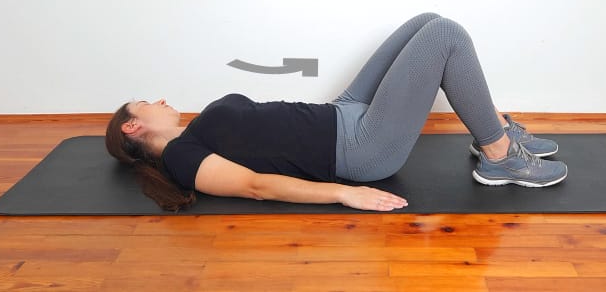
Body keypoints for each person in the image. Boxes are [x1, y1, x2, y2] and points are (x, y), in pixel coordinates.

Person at [106, 13, 567, 212]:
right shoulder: (181, 158)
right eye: (148, 102)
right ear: (133, 124)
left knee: (426, 21)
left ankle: (494, 129)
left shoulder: (193, 134)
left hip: (340, 114)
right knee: (446, 35)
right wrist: (344, 194)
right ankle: (499, 155)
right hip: (360, 147)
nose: (160, 101)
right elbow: (255, 186)